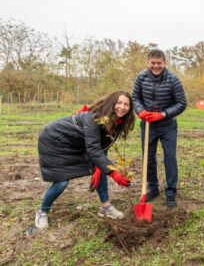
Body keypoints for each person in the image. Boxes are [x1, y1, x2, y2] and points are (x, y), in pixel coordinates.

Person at [35, 91, 134, 229]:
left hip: (76, 142)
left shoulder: (117, 122)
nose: (122, 107)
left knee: (101, 168)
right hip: (54, 140)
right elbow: (94, 149)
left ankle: (106, 207)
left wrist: (101, 168)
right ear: (111, 103)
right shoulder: (93, 118)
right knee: (62, 181)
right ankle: (42, 211)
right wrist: (114, 173)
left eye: (126, 104)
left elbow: (103, 146)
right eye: (119, 103)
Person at [132, 49, 187, 207]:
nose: (156, 66)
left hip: (167, 125)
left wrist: (163, 114)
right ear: (148, 62)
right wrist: (140, 110)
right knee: (148, 158)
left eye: (159, 63)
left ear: (165, 63)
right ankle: (153, 188)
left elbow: (181, 104)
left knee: (170, 158)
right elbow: (135, 97)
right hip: (148, 124)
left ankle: (170, 192)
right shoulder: (141, 77)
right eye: (153, 63)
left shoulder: (173, 80)